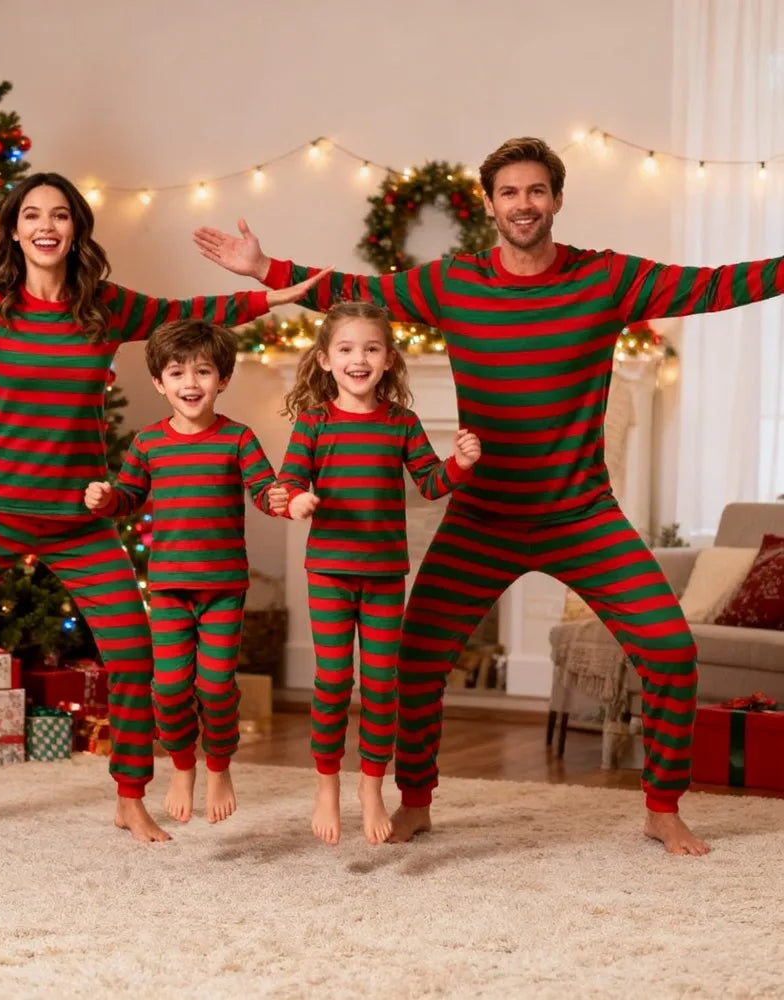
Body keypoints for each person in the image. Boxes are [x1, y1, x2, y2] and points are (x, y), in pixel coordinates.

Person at [194, 136, 784, 856]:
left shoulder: (608, 280)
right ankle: (416, 801)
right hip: (481, 518)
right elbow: (363, 296)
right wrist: (266, 270)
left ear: (557, 200)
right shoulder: (455, 282)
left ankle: (662, 807)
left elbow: (714, 284)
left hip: (581, 516)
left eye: (537, 191)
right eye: (509, 192)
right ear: (491, 204)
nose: (524, 204)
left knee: (669, 650)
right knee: (414, 661)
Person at [0, 171, 326, 846]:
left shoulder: (102, 308)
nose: (47, 225)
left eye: (61, 215)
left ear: (75, 231)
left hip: (78, 517)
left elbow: (179, 312)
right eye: (33, 214)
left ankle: (131, 795)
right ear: (14, 229)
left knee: (133, 654)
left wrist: (265, 298)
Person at [271, 301, 480, 846]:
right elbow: (289, 481)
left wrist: (461, 462)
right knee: (335, 681)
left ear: (388, 359)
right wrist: (295, 502)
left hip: (386, 574)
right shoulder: (315, 422)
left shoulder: (401, 423)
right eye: (345, 349)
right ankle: (325, 786)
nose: (358, 359)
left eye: (371, 348)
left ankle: (371, 787)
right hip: (330, 575)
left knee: (382, 685)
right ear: (324, 359)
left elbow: (433, 484)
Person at [84, 318, 282, 826]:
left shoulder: (238, 439)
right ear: (159, 382)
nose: (190, 383)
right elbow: (128, 498)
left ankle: (219, 765)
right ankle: (182, 764)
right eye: (177, 373)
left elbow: (264, 490)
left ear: (223, 380)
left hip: (222, 590)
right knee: (169, 687)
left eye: (203, 371)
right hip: (169, 588)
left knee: (215, 688)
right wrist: (107, 498)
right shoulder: (149, 444)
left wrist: (280, 497)